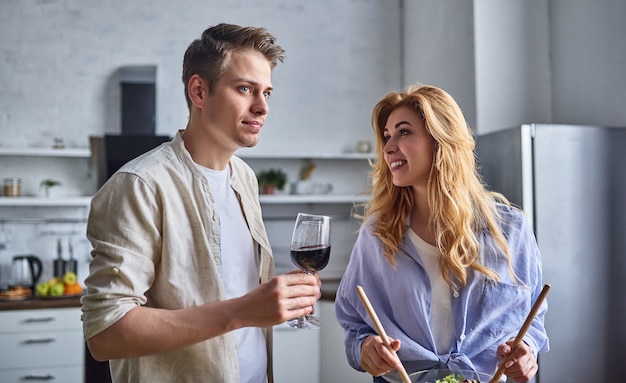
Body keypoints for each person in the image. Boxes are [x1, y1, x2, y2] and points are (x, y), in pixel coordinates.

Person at [81, 23, 321, 383]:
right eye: (245, 89)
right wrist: (242, 311)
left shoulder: (244, 178)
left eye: (267, 93)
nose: (262, 107)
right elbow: (106, 331)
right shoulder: (140, 185)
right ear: (199, 91)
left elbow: (233, 290)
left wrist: (272, 301)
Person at [334, 84, 548, 382]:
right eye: (386, 137)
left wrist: (527, 349)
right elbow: (355, 324)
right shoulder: (377, 234)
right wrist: (364, 348)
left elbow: (532, 318)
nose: (388, 147)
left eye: (404, 132)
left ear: (441, 140)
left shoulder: (511, 229)